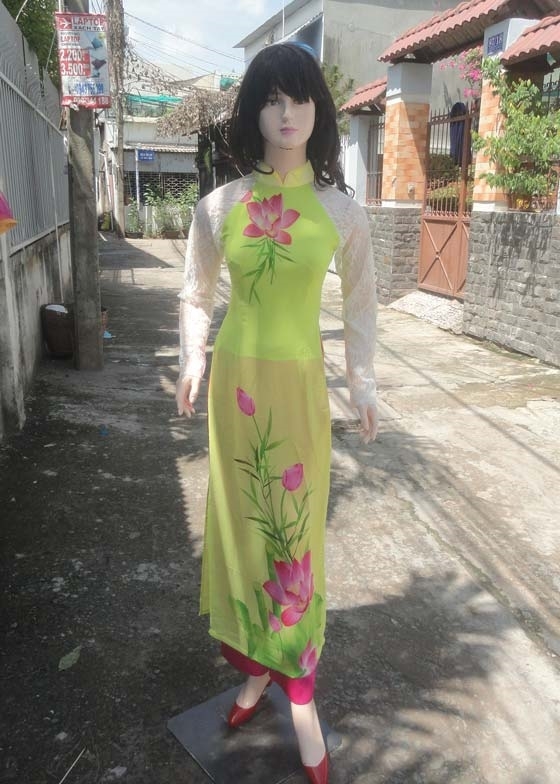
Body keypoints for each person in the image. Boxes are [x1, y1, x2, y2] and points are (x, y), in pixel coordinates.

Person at [176, 42, 378, 784]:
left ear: (319, 110)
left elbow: (361, 307)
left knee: (294, 539)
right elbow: (196, 293)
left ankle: (298, 688)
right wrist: (192, 357)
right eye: (271, 99)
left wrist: (363, 384)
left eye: (300, 98)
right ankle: (255, 669)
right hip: (235, 387)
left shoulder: (340, 212)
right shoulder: (219, 207)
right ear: (253, 111)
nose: (287, 113)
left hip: (298, 393)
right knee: (240, 533)